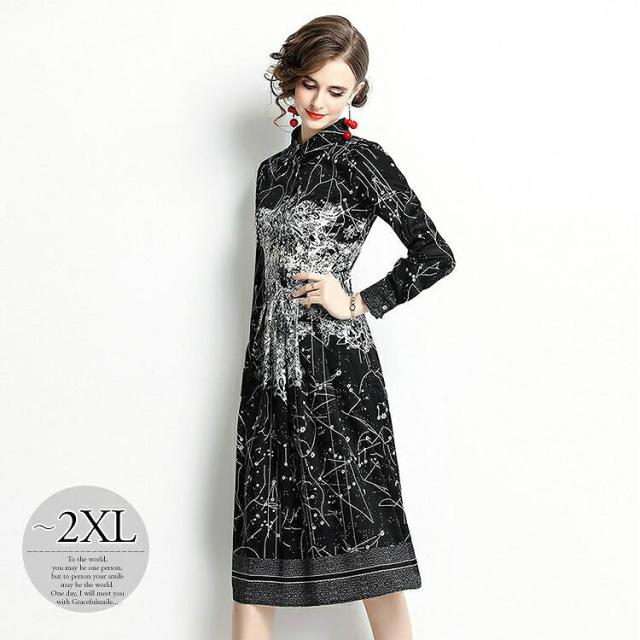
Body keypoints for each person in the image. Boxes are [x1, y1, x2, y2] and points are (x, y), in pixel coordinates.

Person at [231, 15, 455, 640]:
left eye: (337, 90)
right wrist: (255, 380)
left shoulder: (364, 161)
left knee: (369, 541)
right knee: (256, 546)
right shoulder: (270, 174)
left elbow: (435, 255)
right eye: (309, 84)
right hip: (270, 376)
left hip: (339, 377)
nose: (320, 101)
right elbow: (262, 288)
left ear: (357, 91)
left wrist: (357, 300)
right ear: (290, 80)